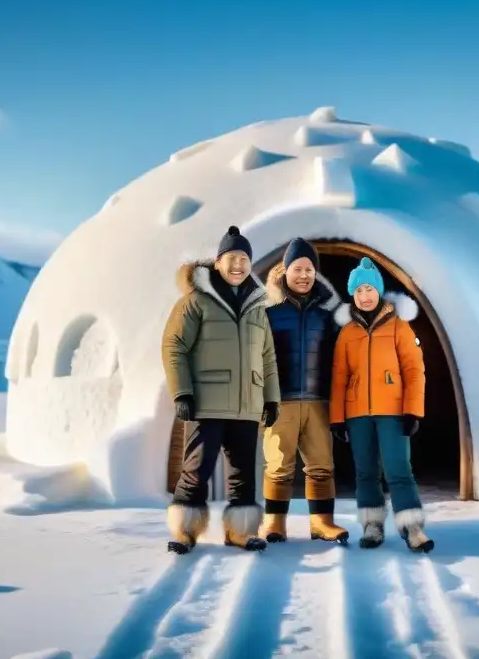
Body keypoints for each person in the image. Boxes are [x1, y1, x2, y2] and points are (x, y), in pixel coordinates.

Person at [161, 225, 281, 555]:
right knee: (196, 469)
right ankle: (185, 530)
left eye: (244, 258)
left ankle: (241, 532)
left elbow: (268, 356)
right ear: (218, 262)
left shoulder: (258, 306)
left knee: (244, 473)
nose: (238, 265)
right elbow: (174, 346)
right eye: (231, 258)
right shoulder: (197, 301)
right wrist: (182, 392)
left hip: (246, 404)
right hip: (207, 402)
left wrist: (271, 398)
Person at [330, 257, 434, 553]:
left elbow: (415, 370)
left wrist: (413, 410)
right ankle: (372, 525)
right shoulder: (347, 333)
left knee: (398, 469)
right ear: (353, 294)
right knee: (365, 471)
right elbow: (339, 377)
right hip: (357, 413)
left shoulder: (399, 328)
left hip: (392, 411)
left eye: (369, 289)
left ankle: (412, 527)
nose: (364, 296)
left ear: (379, 292)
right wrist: (338, 417)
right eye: (359, 290)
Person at [260, 238, 349, 544]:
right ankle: (274, 523)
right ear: (285, 272)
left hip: (318, 402)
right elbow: (258, 360)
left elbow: (341, 360)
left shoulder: (327, 316)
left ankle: (322, 523)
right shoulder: (268, 314)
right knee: (278, 465)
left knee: (322, 465)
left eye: (309, 269)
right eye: (297, 268)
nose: (303, 275)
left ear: (315, 273)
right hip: (280, 402)